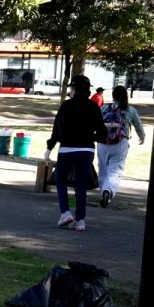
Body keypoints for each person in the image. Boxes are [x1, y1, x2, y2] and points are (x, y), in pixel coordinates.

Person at [45, 74, 107, 232]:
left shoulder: (66, 105)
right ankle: (80, 220)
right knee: (81, 183)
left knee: (60, 179)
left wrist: (49, 147)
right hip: (86, 149)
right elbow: (102, 132)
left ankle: (65, 212)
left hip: (67, 148)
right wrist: (89, 137)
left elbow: (57, 128)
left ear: (74, 89)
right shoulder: (94, 107)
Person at [96, 84, 146, 208]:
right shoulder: (130, 110)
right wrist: (142, 137)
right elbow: (138, 126)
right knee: (115, 170)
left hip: (102, 142)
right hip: (120, 142)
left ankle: (103, 192)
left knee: (102, 169)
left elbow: (96, 122)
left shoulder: (103, 108)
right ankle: (108, 191)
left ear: (113, 96)